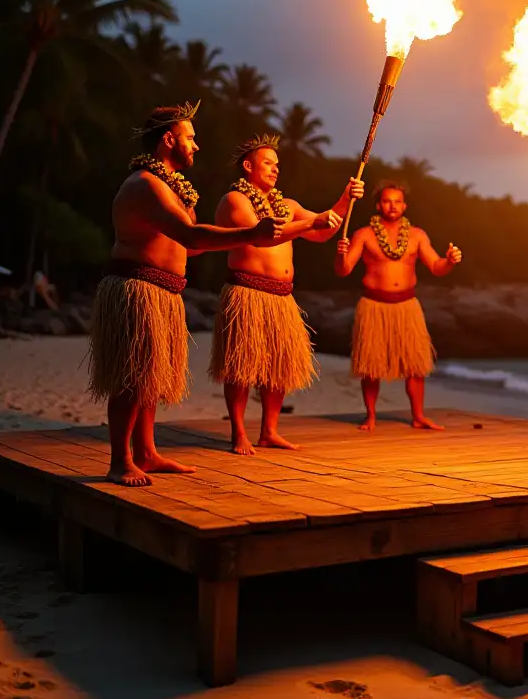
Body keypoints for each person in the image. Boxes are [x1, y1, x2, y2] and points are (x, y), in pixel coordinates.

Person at [88, 102, 282, 487]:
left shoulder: (172, 188)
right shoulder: (145, 185)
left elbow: (190, 248)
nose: (196, 145)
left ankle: (146, 452)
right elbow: (191, 236)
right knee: (132, 376)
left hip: (163, 291)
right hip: (137, 288)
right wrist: (250, 235)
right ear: (168, 139)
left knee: (150, 377)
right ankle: (120, 460)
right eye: (190, 138)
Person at [209, 134, 364, 455]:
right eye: (268, 163)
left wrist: (345, 199)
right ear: (248, 166)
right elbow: (262, 237)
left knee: (279, 365)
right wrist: (312, 222)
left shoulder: (288, 205)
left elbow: (322, 231)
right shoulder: (235, 200)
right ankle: (239, 432)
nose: (275, 169)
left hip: (282, 297)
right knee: (241, 366)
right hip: (247, 292)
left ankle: (269, 431)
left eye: (277, 165)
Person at [334, 180, 462, 431]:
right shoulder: (364, 235)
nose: (392, 206)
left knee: (415, 365)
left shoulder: (417, 235)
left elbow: (436, 268)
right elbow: (343, 271)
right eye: (386, 201)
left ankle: (418, 416)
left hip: (407, 305)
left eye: (397, 201)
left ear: (405, 206)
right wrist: (340, 254)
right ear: (378, 205)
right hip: (373, 305)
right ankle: (370, 416)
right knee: (371, 367)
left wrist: (450, 261)